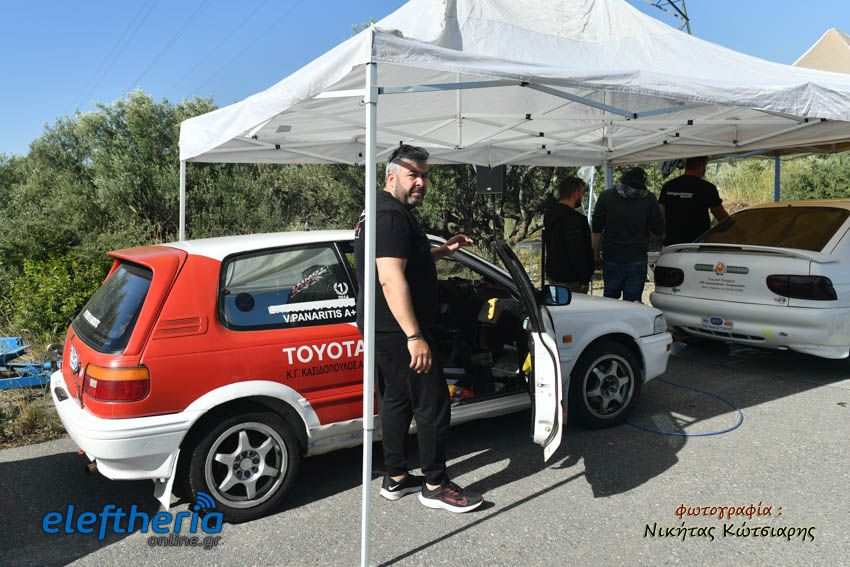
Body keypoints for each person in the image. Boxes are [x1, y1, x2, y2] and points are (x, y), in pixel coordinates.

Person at [354, 144, 483, 513]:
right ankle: (435, 484)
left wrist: (444, 251)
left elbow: (404, 260)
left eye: (425, 175)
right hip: (399, 330)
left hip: (383, 327)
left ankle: (396, 477)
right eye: (413, 174)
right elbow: (390, 277)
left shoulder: (378, 210)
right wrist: (414, 336)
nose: (421, 182)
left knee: (397, 399)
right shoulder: (390, 216)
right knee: (433, 403)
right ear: (391, 175)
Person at [591, 167, 664, 302]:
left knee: (609, 301)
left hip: (612, 256)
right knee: (633, 303)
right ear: (643, 181)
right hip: (637, 258)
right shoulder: (649, 198)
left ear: (623, 179)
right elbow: (658, 231)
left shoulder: (606, 196)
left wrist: (595, 255)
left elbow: (596, 230)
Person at [659, 156, 729, 245]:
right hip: (696, 245)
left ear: (686, 165)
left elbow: (661, 215)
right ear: (702, 165)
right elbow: (722, 217)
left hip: (672, 245)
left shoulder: (668, 186)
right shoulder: (707, 188)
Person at [543, 176, 594, 293]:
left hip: (554, 274)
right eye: (582, 193)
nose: (582, 197)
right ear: (575, 194)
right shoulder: (575, 220)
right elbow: (578, 251)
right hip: (572, 279)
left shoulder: (550, 215)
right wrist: (584, 278)